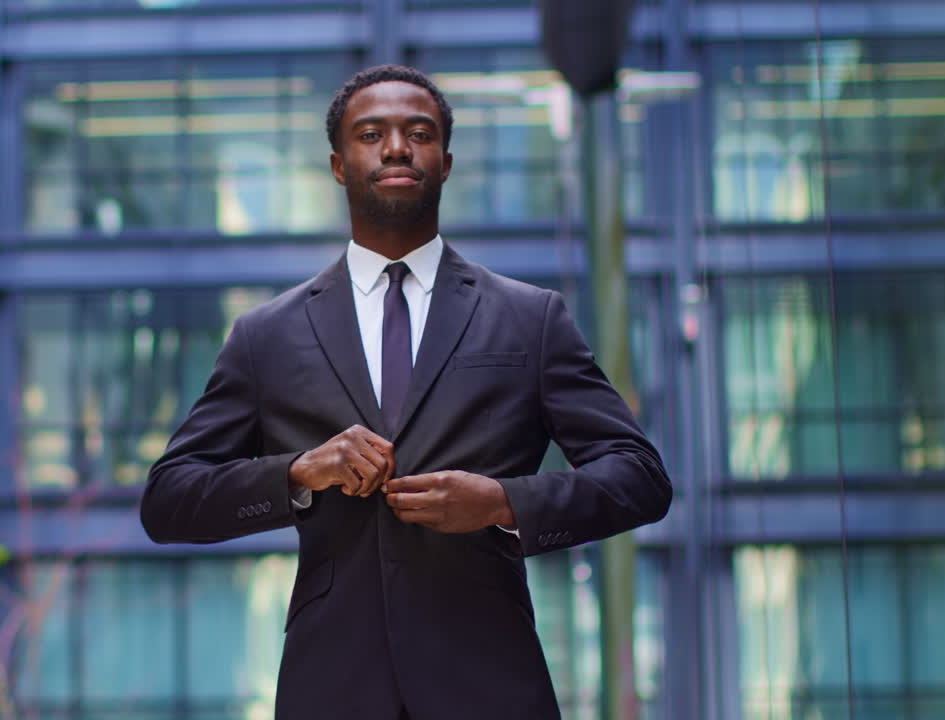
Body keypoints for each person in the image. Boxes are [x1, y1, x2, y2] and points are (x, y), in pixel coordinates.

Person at [141, 64, 671, 720]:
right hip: (332, 689)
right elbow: (168, 500)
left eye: (417, 133)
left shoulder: (530, 318)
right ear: (338, 165)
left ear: (445, 162)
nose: (396, 146)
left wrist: (504, 502)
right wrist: (301, 473)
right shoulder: (266, 335)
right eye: (372, 133)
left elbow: (640, 477)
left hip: (490, 683)